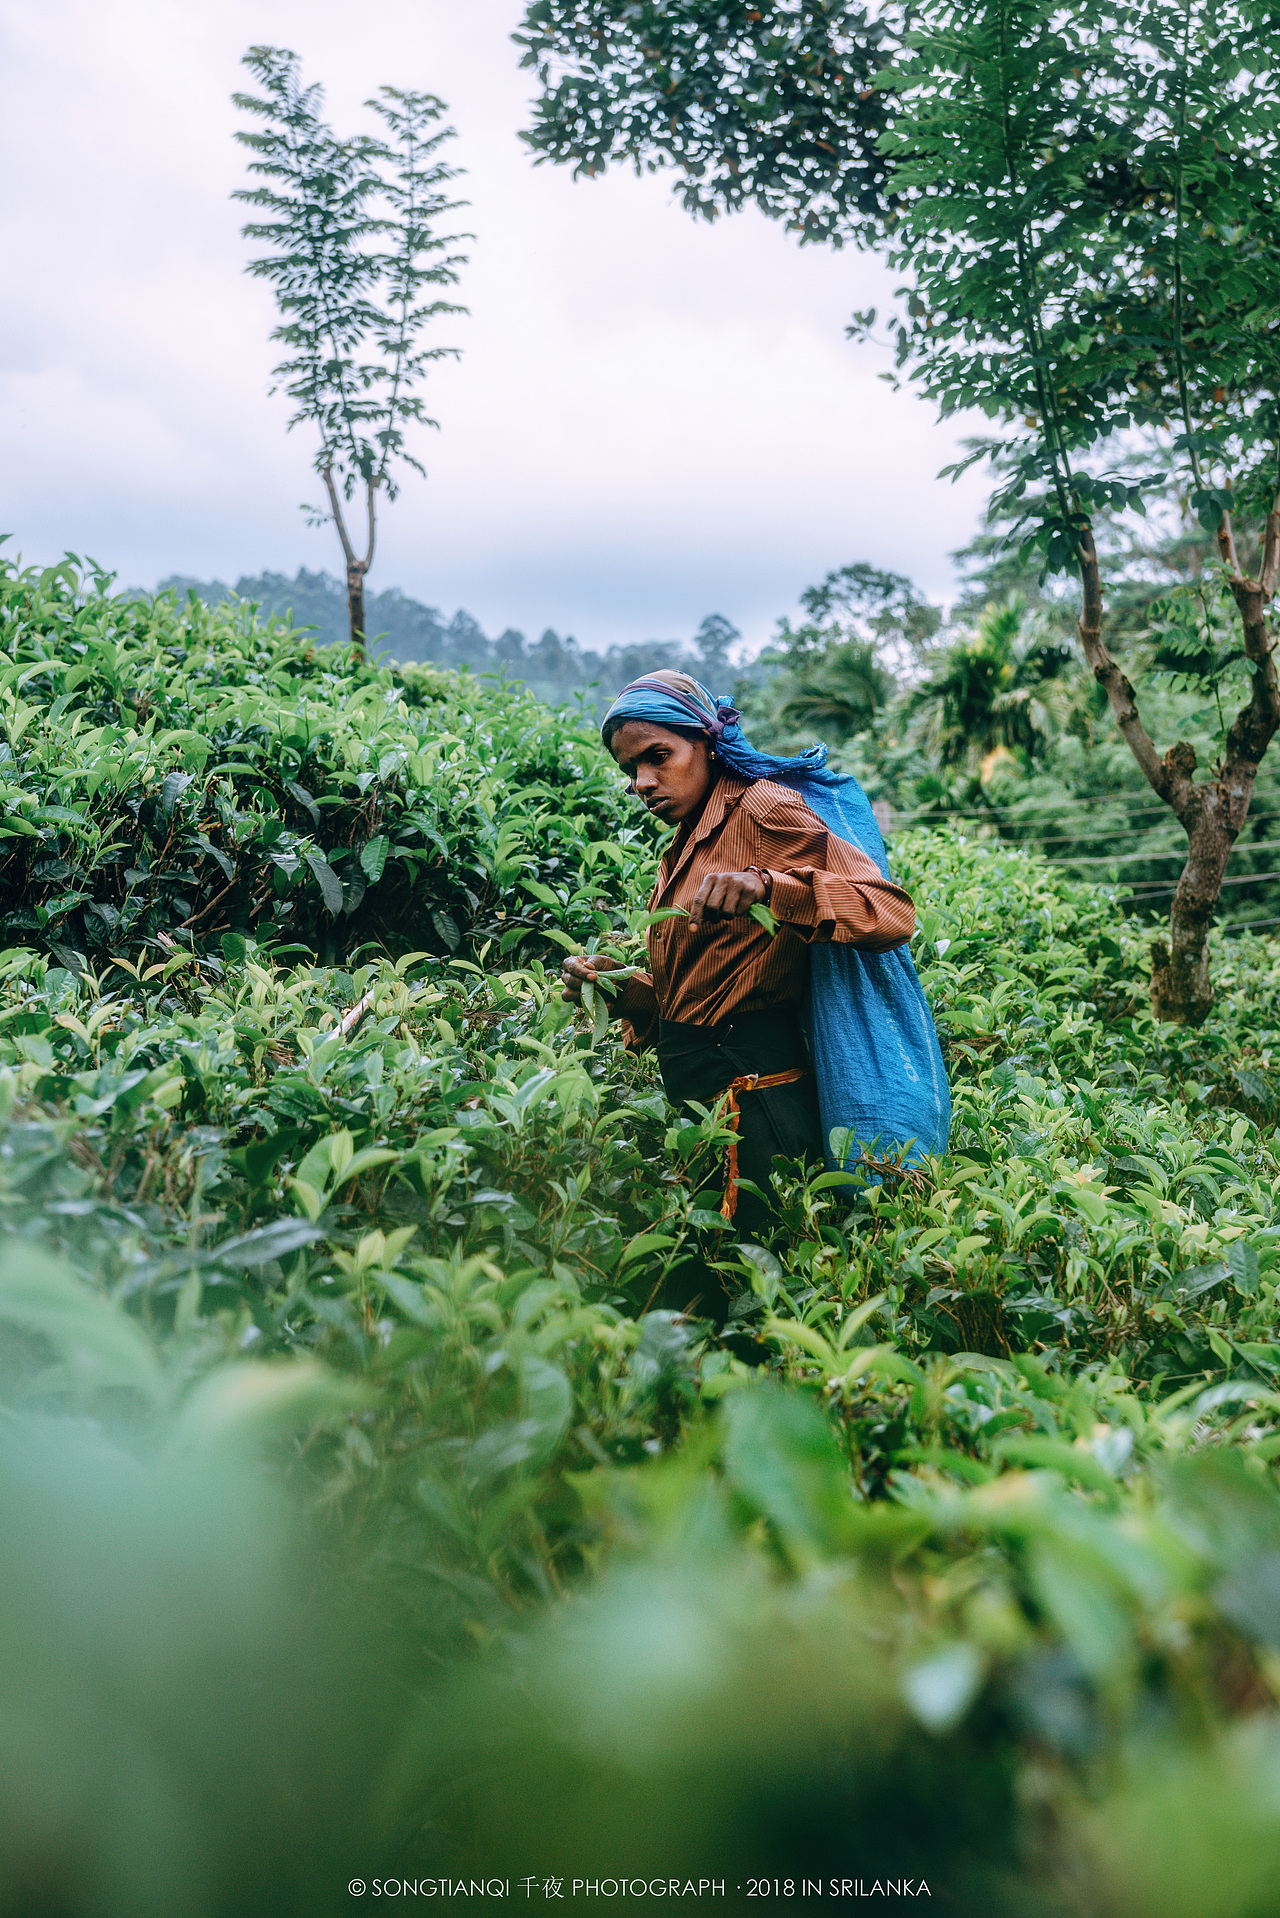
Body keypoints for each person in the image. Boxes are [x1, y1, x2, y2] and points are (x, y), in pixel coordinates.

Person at [561, 670, 916, 1255]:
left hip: (758, 1104)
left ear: (705, 743)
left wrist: (770, 887)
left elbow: (891, 912)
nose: (643, 782)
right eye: (631, 769)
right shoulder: (685, 841)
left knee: (761, 1280)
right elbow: (702, 994)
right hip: (702, 1104)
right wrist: (624, 989)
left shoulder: (762, 808)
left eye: (658, 757)